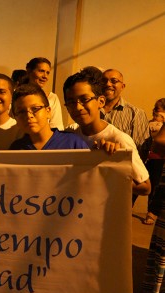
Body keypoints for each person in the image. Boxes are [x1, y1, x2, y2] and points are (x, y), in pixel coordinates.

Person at [63, 68, 151, 196]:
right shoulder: (70, 135)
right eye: (71, 102)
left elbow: (145, 187)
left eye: (85, 99)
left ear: (101, 101)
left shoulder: (118, 139)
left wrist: (108, 174)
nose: (78, 107)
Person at [10, 83, 89, 150]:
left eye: (35, 109)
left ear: (48, 111)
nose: (28, 115)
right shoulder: (16, 149)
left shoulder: (72, 143)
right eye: (21, 112)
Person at [101, 69, 150, 160]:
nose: (108, 84)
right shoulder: (91, 111)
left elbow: (141, 151)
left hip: (123, 170)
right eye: (104, 81)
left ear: (122, 86)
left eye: (114, 81)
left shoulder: (136, 114)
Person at [143, 98, 165, 224]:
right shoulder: (150, 123)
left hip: (159, 159)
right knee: (141, 182)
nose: (156, 114)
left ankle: (151, 212)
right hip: (149, 158)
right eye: (155, 111)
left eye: (159, 112)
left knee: (154, 187)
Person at [25, 57, 64, 130]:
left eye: (47, 73)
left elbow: (57, 127)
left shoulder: (52, 98)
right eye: (41, 71)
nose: (45, 76)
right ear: (29, 71)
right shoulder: (15, 96)